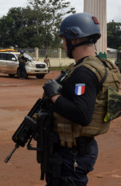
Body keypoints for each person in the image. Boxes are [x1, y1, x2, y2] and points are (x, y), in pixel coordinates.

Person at [42, 13, 120, 185]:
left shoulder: (83, 72)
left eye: (64, 39)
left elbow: (82, 114)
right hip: (80, 148)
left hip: (73, 153)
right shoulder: (95, 66)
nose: (63, 44)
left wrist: (54, 95)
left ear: (74, 39)